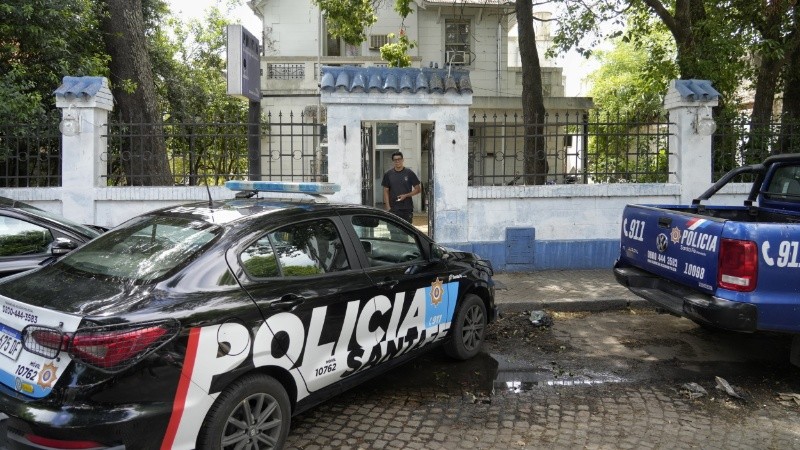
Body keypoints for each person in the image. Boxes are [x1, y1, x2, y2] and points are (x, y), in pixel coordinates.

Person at [381, 151, 421, 223]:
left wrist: (406, 195)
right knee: (393, 231)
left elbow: (418, 189)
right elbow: (385, 191)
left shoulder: (409, 173)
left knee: (407, 231)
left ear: (402, 160)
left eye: (399, 159)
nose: (397, 161)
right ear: (393, 161)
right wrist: (388, 207)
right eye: (395, 160)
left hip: (407, 208)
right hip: (393, 208)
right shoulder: (388, 174)